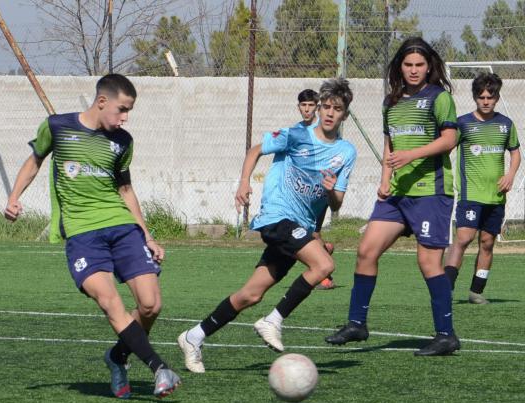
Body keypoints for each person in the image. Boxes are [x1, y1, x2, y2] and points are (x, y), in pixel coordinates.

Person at [4, 74, 180, 399]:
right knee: (110, 302)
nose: (125, 118)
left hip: (122, 226)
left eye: (128, 112)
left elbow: (125, 190)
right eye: (122, 109)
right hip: (82, 233)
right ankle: (159, 367)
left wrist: (148, 235)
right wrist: (14, 197)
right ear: (102, 102)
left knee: (151, 305)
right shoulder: (57, 126)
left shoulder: (123, 141)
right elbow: (34, 161)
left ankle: (117, 356)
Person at [177, 78, 357, 373]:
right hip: (277, 217)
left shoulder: (346, 152)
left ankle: (193, 337)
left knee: (251, 294)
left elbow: (336, 203)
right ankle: (272, 320)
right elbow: (254, 151)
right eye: (325, 106)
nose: (328, 113)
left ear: (344, 115)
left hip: (298, 226)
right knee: (323, 265)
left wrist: (330, 188)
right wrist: (244, 182)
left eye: (336, 109)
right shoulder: (296, 135)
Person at [325, 37, 461, 356]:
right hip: (396, 194)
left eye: (420, 65)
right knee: (366, 250)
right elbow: (389, 143)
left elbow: (450, 138)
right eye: (408, 64)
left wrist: (412, 155)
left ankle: (446, 335)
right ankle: (357, 324)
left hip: (432, 191)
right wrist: (384, 179)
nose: (414, 71)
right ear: (399, 66)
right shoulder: (391, 101)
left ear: (429, 68)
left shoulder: (439, 98)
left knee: (428, 262)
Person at [444, 73, 520, 304]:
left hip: (496, 197)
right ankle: (445, 289)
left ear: (497, 98)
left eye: (490, 96)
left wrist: (510, 175)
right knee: (463, 238)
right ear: (475, 98)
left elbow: (515, 153)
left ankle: (476, 291)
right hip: (471, 195)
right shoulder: (463, 123)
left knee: (487, 242)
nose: (486, 101)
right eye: (481, 96)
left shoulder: (506, 124)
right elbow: (445, 147)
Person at [295, 88, 338, 290]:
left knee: (312, 234)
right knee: (308, 235)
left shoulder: (323, 131)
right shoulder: (296, 131)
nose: (307, 109)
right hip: (300, 193)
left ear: (317, 108)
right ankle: (324, 252)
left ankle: (324, 275)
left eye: (311, 105)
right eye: (303, 105)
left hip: (318, 191)